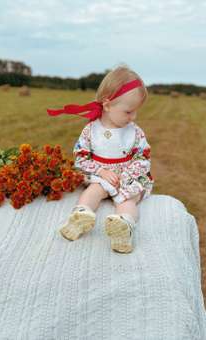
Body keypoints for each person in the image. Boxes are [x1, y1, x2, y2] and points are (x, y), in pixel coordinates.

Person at [46, 64, 154, 253]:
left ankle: (124, 226)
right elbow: (80, 157)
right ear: (107, 105)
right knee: (93, 191)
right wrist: (101, 172)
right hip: (101, 175)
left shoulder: (135, 132)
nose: (133, 117)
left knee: (127, 200)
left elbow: (143, 158)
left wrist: (126, 176)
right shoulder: (91, 130)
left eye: (136, 111)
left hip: (127, 178)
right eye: (128, 112)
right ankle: (81, 216)